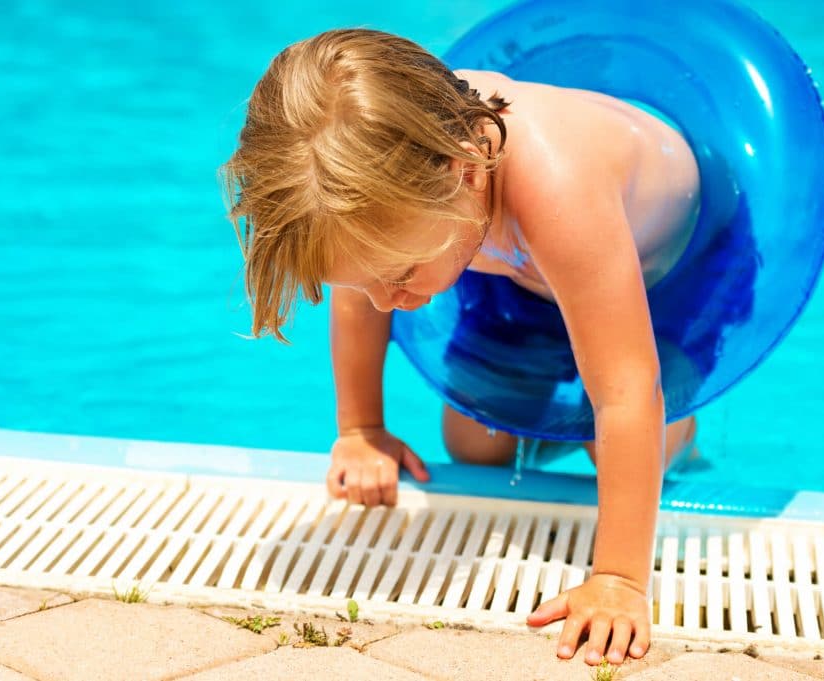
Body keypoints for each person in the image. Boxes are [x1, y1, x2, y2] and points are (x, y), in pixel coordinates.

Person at [221, 28, 701, 667]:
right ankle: (545, 392)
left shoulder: (557, 185)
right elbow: (358, 292)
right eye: (370, 280)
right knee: (474, 443)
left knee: (627, 437)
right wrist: (361, 428)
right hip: (517, 268)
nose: (385, 301)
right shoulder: (409, 171)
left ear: (469, 173)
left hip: (655, 264)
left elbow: (625, 390)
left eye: (397, 277)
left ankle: (679, 431)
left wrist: (617, 580)